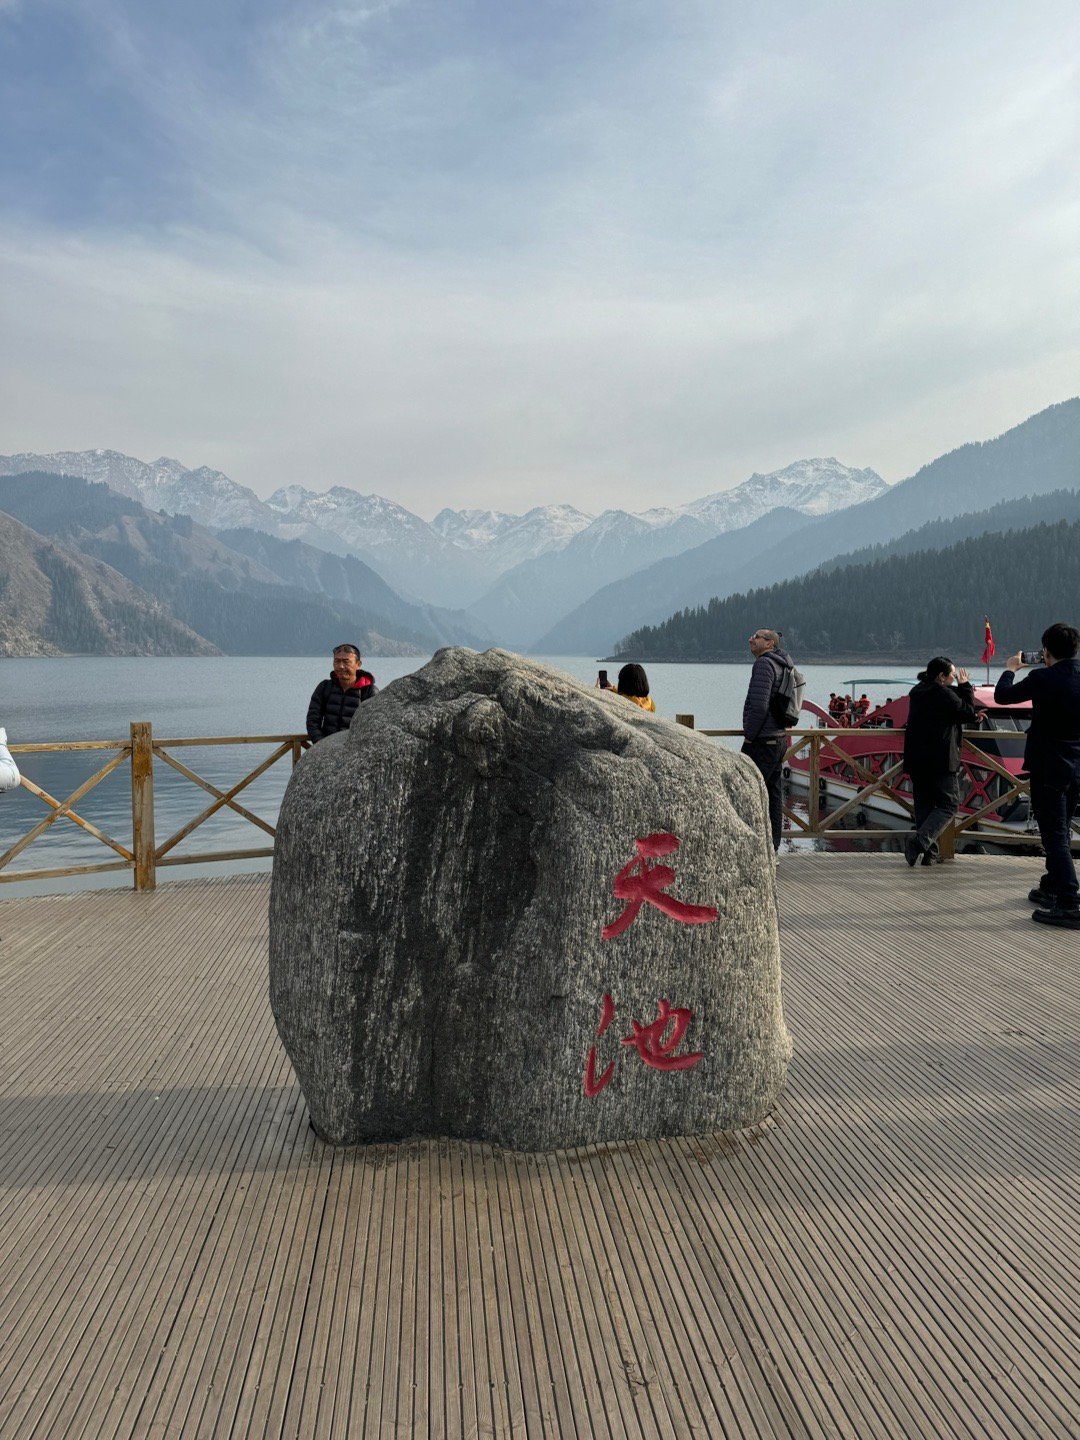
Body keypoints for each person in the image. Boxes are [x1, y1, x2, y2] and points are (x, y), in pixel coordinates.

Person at [994, 622, 1080, 928]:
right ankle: (1053, 886)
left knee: (1054, 835)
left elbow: (1003, 697)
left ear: (1045, 651)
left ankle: (1070, 902)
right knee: (1062, 829)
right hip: (1077, 767)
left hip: (1049, 767)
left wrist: (1010, 669)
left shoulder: (1042, 677)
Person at [902, 657, 978, 867]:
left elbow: (947, 714)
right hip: (940, 759)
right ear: (941, 676)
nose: (954, 679)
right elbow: (967, 712)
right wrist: (965, 687)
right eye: (952, 676)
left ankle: (928, 853)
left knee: (924, 805)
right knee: (949, 804)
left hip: (917, 758)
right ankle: (919, 843)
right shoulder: (942, 692)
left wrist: (961, 699)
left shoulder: (918, 691)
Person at [741, 627, 799, 851]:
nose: (750, 639)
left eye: (755, 637)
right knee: (773, 794)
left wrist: (749, 735)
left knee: (747, 790)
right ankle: (772, 846)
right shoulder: (783, 664)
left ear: (769, 643)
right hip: (778, 738)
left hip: (763, 740)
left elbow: (759, 705)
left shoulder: (764, 664)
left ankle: (751, 847)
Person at [306, 645, 377, 743]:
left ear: (358, 664)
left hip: (355, 751)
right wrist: (321, 745)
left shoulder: (369, 691)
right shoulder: (324, 687)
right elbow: (312, 721)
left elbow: (374, 726)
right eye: (337, 661)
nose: (341, 666)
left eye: (346, 661)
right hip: (325, 749)